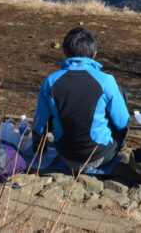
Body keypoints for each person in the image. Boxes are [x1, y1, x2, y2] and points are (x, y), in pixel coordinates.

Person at [32, 27, 130, 171]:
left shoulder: (51, 81)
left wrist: (38, 145)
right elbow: (122, 122)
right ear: (94, 54)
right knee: (119, 94)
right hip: (100, 156)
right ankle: (120, 145)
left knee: (55, 109)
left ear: (66, 53)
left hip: (65, 155)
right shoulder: (106, 81)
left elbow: (39, 123)